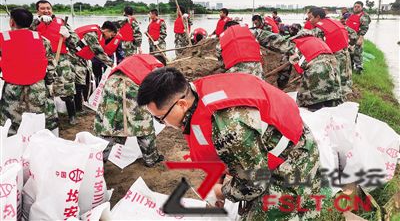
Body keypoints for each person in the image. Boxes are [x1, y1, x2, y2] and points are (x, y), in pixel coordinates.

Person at [137, 68, 327, 220]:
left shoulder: (229, 127)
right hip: (262, 153)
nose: (164, 124)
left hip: (293, 160)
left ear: (180, 105)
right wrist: (218, 181)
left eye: (161, 118)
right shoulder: (194, 94)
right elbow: (222, 153)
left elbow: (254, 184)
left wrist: (223, 192)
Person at [93, 54, 166, 167]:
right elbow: (155, 92)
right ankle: (151, 159)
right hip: (130, 87)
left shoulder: (141, 59)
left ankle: (97, 162)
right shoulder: (157, 66)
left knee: (110, 123)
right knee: (143, 123)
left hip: (111, 84)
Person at [0, 8, 58, 135]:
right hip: (37, 87)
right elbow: (50, 66)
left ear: (11, 22)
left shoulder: (2, 39)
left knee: (11, 124)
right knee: (38, 120)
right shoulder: (43, 40)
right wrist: (49, 83)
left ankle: (13, 151)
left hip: (12, 89)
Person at [31, 0, 78, 124]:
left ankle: (72, 116)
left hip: (61, 59)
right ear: (37, 11)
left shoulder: (61, 23)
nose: (46, 11)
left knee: (66, 87)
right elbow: (23, 35)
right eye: (42, 8)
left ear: (52, 9)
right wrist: (36, 22)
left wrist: (68, 36)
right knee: (42, 89)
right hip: (41, 60)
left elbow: (75, 43)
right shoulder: (33, 24)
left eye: (48, 8)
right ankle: (45, 117)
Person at [306, 7, 352, 98]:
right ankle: (345, 96)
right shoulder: (334, 22)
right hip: (345, 53)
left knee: (335, 79)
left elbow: (317, 47)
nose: (309, 21)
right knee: (345, 77)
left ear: (318, 17)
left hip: (334, 56)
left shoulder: (319, 29)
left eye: (310, 18)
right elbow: (353, 35)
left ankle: (337, 99)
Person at [288, 35, 342, 110]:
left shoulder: (295, 45)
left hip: (317, 70)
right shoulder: (316, 39)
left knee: (311, 102)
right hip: (334, 67)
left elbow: (300, 69)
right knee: (331, 98)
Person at [72, 22, 115, 114]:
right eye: (111, 35)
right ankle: (78, 109)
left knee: (87, 81)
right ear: (106, 30)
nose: (111, 37)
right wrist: (112, 65)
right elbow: (98, 52)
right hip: (73, 57)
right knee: (79, 83)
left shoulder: (98, 35)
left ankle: (83, 104)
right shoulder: (92, 34)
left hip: (82, 59)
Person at [345, 1, 371, 73]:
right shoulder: (351, 15)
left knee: (357, 54)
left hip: (357, 38)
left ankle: (359, 70)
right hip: (349, 38)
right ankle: (351, 68)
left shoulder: (364, 16)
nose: (356, 8)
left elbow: (364, 28)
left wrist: (361, 38)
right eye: (355, 6)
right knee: (350, 54)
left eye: (358, 7)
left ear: (362, 7)